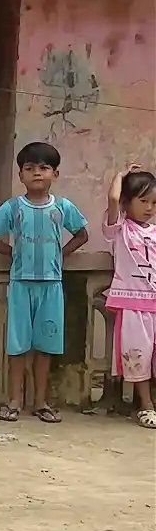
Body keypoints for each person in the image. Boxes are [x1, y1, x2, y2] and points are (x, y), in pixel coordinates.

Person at [0, 142, 89, 425]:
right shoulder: (13, 207)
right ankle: (14, 400)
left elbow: (82, 234)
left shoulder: (63, 207)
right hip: (19, 283)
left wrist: (60, 254)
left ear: (55, 173)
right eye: (29, 168)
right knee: (17, 347)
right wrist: (12, 252)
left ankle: (41, 401)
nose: (37, 174)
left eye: (43, 168)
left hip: (52, 284)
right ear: (21, 176)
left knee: (46, 347)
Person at [103, 168, 156, 427]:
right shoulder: (120, 231)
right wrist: (121, 174)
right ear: (127, 202)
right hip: (132, 304)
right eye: (143, 201)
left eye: (154, 203)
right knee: (138, 357)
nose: (149, 208)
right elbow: (112, 199)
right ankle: (146, 406)